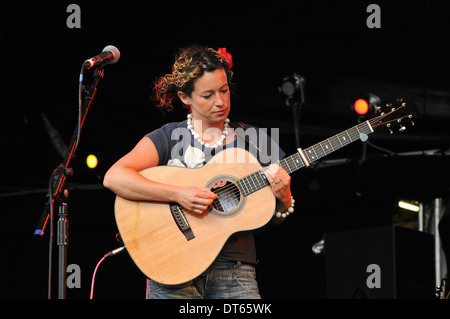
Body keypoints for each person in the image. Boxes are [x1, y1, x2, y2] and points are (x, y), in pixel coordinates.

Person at [103, 45, 295, 299]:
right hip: (171, 265)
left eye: (224, 90)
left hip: (235, 272)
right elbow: (114, 177)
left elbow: (275, 217)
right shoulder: (168, 137)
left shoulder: (255, 141)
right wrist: (179, 194)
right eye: (208, 95)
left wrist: (285, 199)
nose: (220, 101)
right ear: (185, 98)